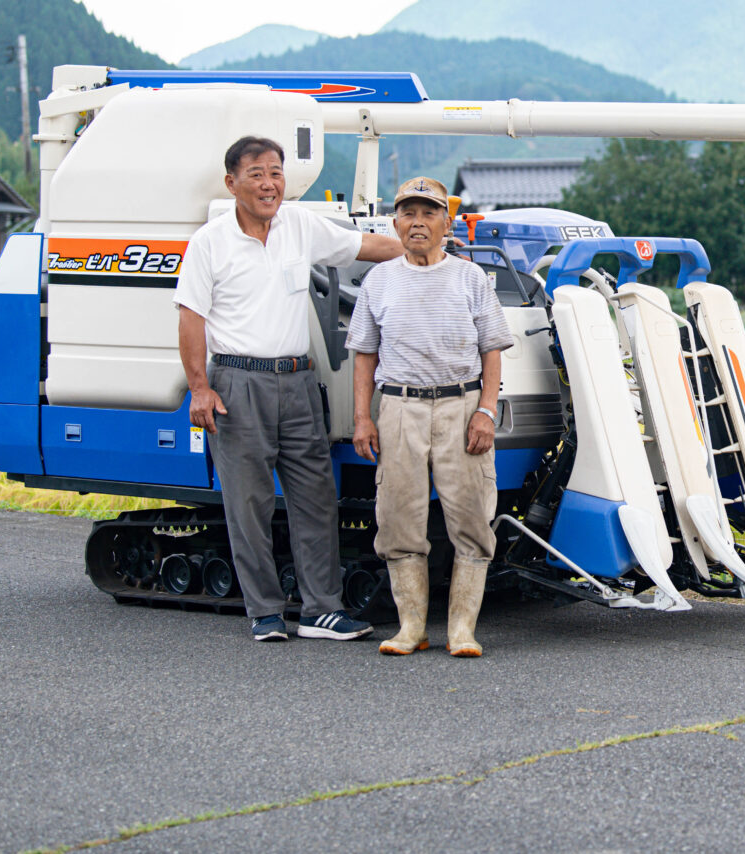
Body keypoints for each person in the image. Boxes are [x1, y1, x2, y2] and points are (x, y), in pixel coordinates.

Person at [176, 136, 403, 642]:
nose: (268, 183)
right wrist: (199, 388)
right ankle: (265, 612)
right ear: (231, 182)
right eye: (256, 173)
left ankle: (322, 609)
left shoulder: (300, 225)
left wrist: (420, 246)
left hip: (299, 381)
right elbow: (190, 318)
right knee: (248, 503)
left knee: (316, 497)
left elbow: (363, 246)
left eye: (275, 172)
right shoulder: (209, 242)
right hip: (237, 384)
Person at [347, 176, 514, 657]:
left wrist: (485, 410)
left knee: (470, 518)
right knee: (398, 517)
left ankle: (462, 630)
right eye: (408, 214)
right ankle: (411, 627)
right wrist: (364, 417)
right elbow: (364, 355)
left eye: (429, 213)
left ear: (447, 222)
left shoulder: (470, 277)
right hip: (399, 406)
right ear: (395, 223)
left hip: (462, 406)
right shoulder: (378, 280)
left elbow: (492, 351)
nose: (418, 223)